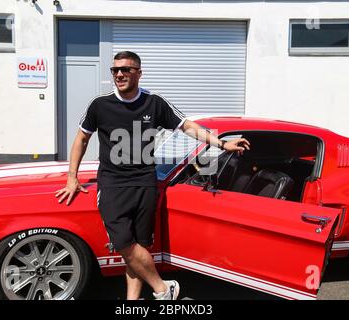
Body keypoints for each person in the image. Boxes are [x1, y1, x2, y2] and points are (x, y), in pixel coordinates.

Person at [55, 51, 250, 300]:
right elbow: (82, 138)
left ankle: (132, 302)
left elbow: (187, 126)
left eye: (126, 69)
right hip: (113, 184)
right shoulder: (100, 105)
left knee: (139, 246)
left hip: (146, 183)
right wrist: (73, 177)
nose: (119, 74)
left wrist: (221, 144)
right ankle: (162, 288)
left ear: (139, 72)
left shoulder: (154, 102)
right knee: (125, 244)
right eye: (115, 70)